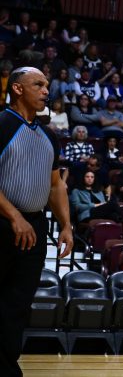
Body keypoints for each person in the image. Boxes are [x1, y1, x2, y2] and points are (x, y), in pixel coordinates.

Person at [0, 67, 73, 377]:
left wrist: (67, 225)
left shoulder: (48, 135)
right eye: (38, 85)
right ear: (17, 88)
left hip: (34, 226)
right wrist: (14, 216)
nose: (46, 91)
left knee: (18, 303)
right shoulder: (2, 124)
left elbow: (56, 185)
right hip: (4, 223)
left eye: (47, 85)